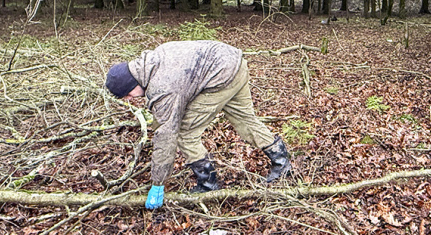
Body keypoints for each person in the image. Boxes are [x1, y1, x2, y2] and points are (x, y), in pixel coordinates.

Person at [104, 40, 292, 210]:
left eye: (128, 94)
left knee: (184, 133)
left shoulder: (162, 87)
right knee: (245, 118)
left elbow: (167, 134)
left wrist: (158, 184)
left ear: (132, 83)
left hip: (221, 76)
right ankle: (282, 161)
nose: (130, 100)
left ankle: (208, 184)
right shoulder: (154, 58)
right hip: (235, 63)